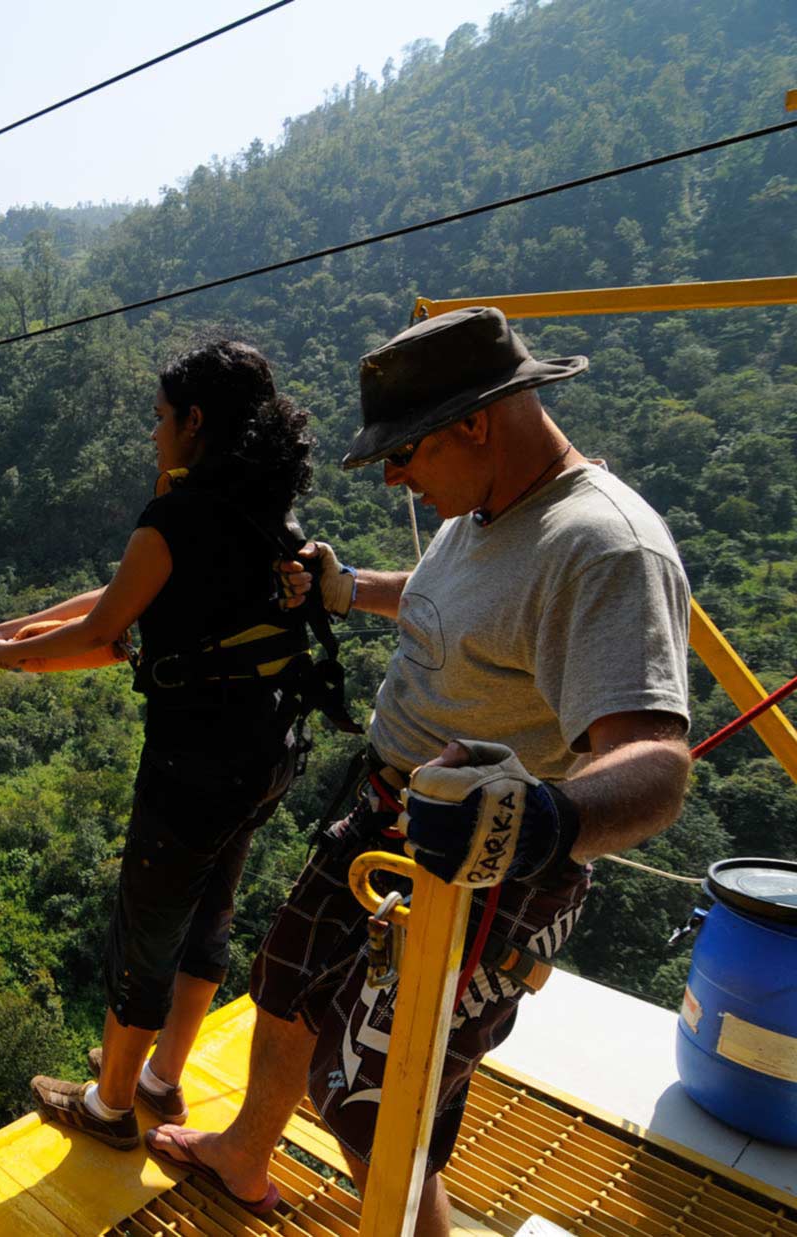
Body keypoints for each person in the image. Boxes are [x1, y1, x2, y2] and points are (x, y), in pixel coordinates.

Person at [147, 306, 693, 1229]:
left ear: (475, 422)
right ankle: (246, 1150)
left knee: (375, 1097)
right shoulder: (485, 504)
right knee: (285, 980)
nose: (394, 474)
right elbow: (451, 605)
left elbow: (656, 765)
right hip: (389, 809)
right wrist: (349, 587)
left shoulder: (601, 546)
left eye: (404, 452)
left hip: (486, 864)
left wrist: (538, 821)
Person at [0, 339, 327, 1150]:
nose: (153, 434)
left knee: (147, 930)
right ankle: (164, 1078)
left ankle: (110, 1105)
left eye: (161, 419)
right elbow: (128, 588)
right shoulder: (264, 511)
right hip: (267, 750)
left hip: (195, 761)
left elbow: (103, 632)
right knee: (212, 910)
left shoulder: (177, 515)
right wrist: (20, 627)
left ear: (196, 422)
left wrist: (4, 657)